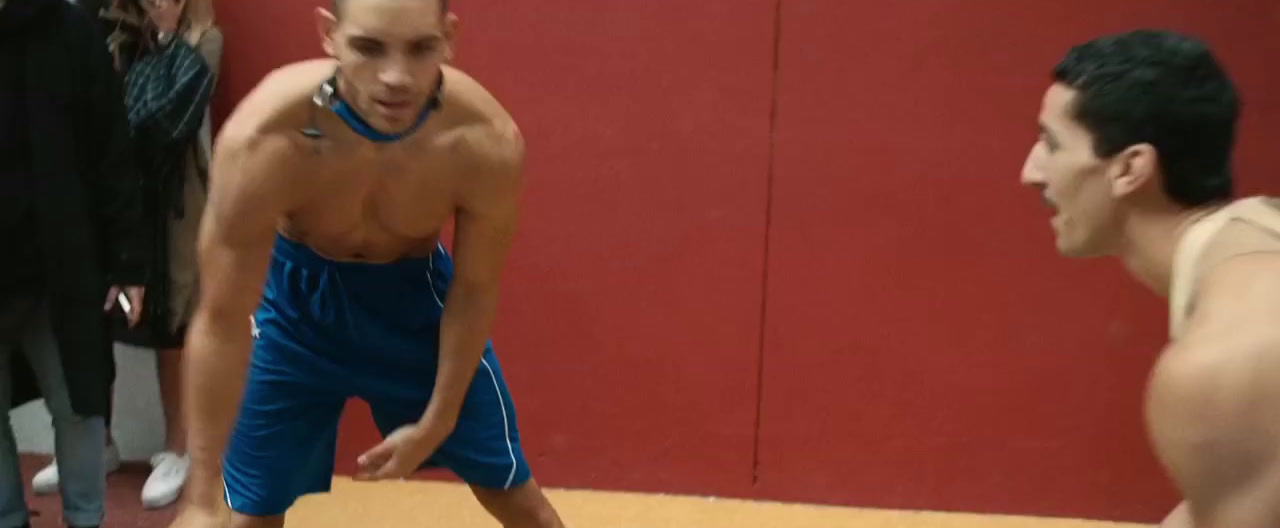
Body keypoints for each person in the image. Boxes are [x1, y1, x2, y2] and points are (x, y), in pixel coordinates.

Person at [168, 0, 565, 527]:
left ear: (449, 37)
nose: (395, 77)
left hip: (415, 306)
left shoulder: (483, 142)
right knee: (249, 517)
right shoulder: (264, 139)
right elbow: (219, 318)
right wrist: (198, 497)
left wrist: (436, 423)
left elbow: (475, 290)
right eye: (369, 48)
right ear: (329, 34)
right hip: (294, 311)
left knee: (523, 507)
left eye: (421, 48)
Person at [1021, 29, 1280, 528]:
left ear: (1130, 168)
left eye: (1050, 144)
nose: (1030, 172)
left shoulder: (1219, 367)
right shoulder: (1260, 230)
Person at [0, 0, 149, 526]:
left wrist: (128, 263)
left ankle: (86, 519)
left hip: (61, 267)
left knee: (79, 407)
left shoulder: (72, 32)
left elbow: (113, 151)